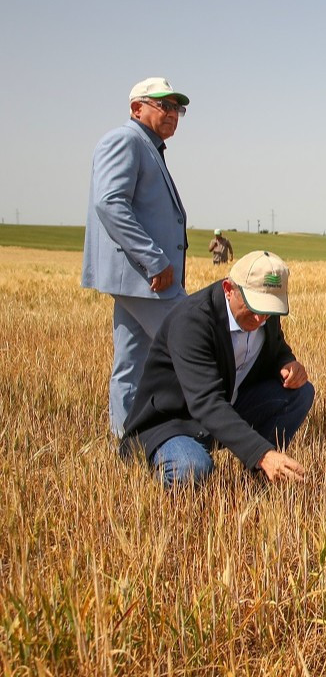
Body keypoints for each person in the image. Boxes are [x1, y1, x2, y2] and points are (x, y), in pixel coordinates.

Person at [121, 251, 316, 488]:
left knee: (300, 393)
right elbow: (206, 402)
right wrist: (261, 452)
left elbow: (276, 349)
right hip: (173, 423)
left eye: (268, 309)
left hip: (226, 409)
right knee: (192, 469)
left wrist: (287, 364)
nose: (259, 318)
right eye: (254, 306)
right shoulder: (192, 322)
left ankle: (260, 477)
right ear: (228, 289)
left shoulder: (264, 315)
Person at [82, 77, 191, 436]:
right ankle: (199, 433)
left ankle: (126, 438)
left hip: (138, 278)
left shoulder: (148, 147)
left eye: (177, 107)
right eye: (164, 104)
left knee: (132, 361)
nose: (172, 113)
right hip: (144, 275)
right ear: (136, 108)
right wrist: (154, 260)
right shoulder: (125, 140)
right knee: (192, 345)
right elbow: (109, 203)